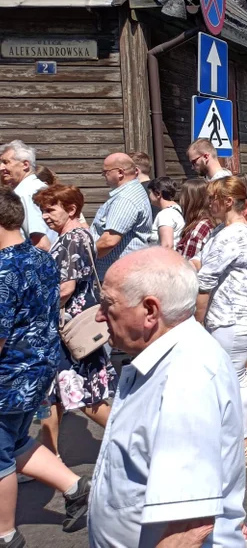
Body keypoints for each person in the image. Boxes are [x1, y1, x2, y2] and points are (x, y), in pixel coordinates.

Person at [88, 248, 247, 547]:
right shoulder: (170, 358)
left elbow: (187, 528)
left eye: (107, 303)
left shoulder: (186, 377)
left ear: (150, 311)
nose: (99, 315)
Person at [0, 188, 91, 545]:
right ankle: (73, 486)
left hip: (9, 374)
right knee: (16, 440)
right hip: (39, 367)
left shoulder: (4, 271)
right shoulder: (39, 257)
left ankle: (6, 534)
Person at [32, 185, 115, 457]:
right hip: (64, 329)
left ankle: (132, 439)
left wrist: (36, 309)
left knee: (86, 397)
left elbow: (66, 288)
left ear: (71, 209)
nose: (45, 216)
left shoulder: (73, 238)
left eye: (50, 209)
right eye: (42, 210)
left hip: (72, 330)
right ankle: (48, 456)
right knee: (52, 395)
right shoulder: (71, 236)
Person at [195, 177, 247, 465]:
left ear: (228, 201)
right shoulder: (221, 230)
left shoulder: (234, 233)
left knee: (233, 380)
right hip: (226, 313)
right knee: (229, 378)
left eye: (213, 197)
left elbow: (205, 282)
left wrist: (196, 324)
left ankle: (241, 439)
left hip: (233, 315)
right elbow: (201, 264)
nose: (208, 203)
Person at [90, 153, 152, 278]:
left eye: (105, 172)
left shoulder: (125, 198)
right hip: (125, 272)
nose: (103, 176)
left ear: (119, 173)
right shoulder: (131, 191)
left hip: (121, 276)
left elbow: (109, 240)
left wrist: (83, 256)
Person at [0, 140, 54, 250]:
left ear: (25, 165)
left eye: (6, 162)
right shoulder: (37, 187)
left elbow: (41, 243)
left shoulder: (25, 193)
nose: (1, 167)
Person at [176, 177, 216, 260]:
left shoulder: (199, 229)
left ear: (190, 201)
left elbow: (189, 266)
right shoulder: (208, 222)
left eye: (182, 196)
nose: (181, 201)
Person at [145, 176, 184, 249]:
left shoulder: (165, 215)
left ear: (158, 194)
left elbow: (167, 245)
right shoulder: (177, 209)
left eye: (150, 192)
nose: (149, 196)